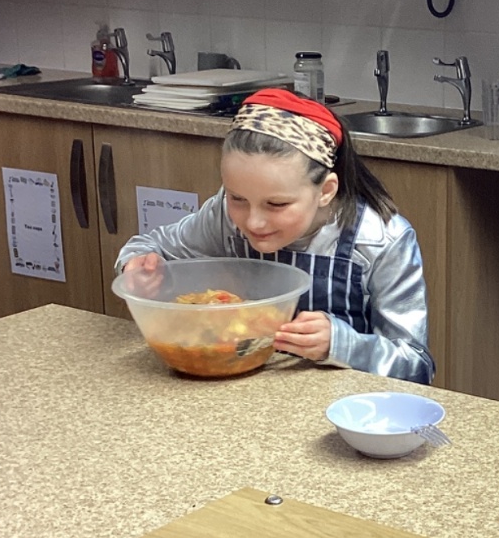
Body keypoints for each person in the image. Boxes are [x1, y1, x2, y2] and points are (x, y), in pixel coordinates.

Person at [117, 88, 434, 383]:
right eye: (237, 198)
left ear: (326, 191)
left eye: (277, 204)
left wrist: (343, 344)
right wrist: (138, 265)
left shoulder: (382, 241)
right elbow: (152, 245)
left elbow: (416, 366)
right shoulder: (223, 217)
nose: (254, 222)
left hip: (345, 409)